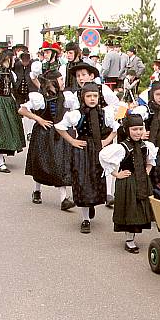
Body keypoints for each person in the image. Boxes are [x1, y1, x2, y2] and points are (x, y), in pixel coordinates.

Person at [55, 82, 117, 234]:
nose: (92, 99)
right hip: (82, 150)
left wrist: (105, 141)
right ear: (83, 98)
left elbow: (116, 128)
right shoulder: (77, 114)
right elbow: (59, 127)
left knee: (95, 180)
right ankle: (85, 219)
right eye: (89, 96)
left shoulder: (104, 113)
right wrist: (72, 141)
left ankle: (90, 205)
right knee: (83, 182)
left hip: (97, 150)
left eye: (95, 96)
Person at [19, 70, 79, 211]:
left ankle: (64, 199)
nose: (63, 82)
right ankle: (37, 190)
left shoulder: (66, 96)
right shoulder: (39, 97)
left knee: (61, 164)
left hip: (60, 134)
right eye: (60, 80)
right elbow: (22, 110)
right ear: (52, 82)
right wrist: (39, 119)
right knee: (40, 163)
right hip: (43, 134)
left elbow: (74, 111)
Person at [99, 114, 157, 253]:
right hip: (128, 183)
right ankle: (129, 240)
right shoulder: (121, 147)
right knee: (130, 208)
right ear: (127, 130)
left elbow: (151, 161)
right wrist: (116, 174)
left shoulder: (147, 146)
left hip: (142, 181)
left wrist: (147, 171)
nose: (138, 132)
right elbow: (103, 157)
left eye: (140, 129)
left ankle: (134, 234)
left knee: (139, 208)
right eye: (134, 129)